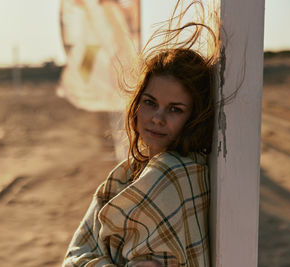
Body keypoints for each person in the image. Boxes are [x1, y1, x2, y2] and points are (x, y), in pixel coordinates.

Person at [63, 1, 220, 266]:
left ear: (194, 116)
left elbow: (77, 257)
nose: (157, 118)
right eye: (150, 103)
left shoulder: (171, 175)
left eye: (175, 109)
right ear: (136, 104)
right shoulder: (131, 171)